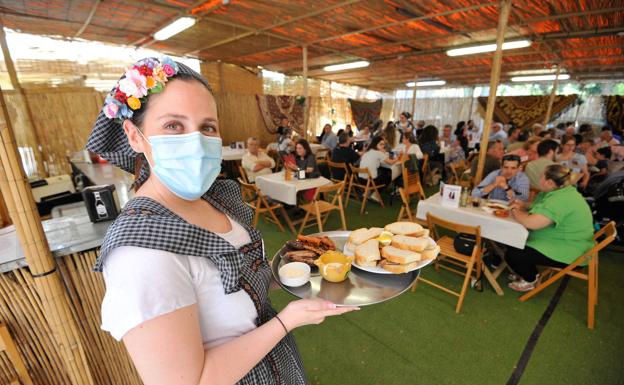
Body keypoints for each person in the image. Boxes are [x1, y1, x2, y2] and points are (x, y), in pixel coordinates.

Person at [86, 57, 357, 385]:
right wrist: (287, 322)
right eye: (174, 125)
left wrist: (288, 268)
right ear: (134, 135)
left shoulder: (214, 199)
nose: (196, 141)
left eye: (207, 127)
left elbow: (235, 285)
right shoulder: (140, 253)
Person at [506, 164, 594, 291]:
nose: (539, 178)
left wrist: (514, 210)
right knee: (512, 240)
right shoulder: (561, 191)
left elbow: (532, 223)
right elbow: (542, 207)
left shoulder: (561, 199)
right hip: (567, 242)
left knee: (514, 253)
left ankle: (530, 278)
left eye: (542, 176)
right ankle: (524, 271)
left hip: (570, 249)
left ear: (550, 182)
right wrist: (524, 205)